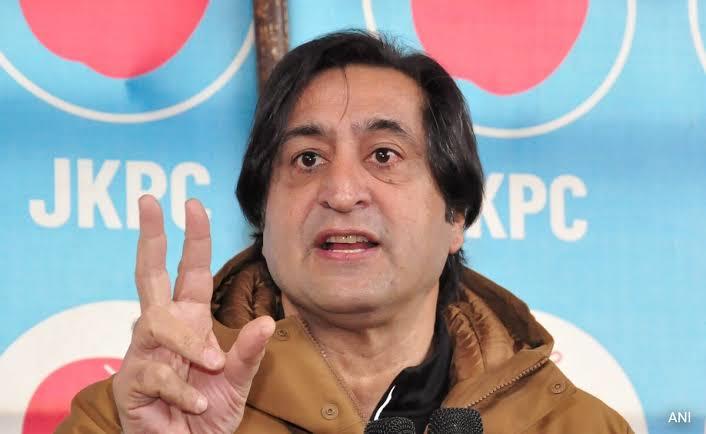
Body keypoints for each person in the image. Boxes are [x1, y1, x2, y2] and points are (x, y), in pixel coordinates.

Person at [57, 31, 633, 434]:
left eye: (383, 155)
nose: (341, 191)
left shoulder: (573, 425)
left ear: (456, 215)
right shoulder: (134, 416)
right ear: (262, 217)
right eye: (307, 159)